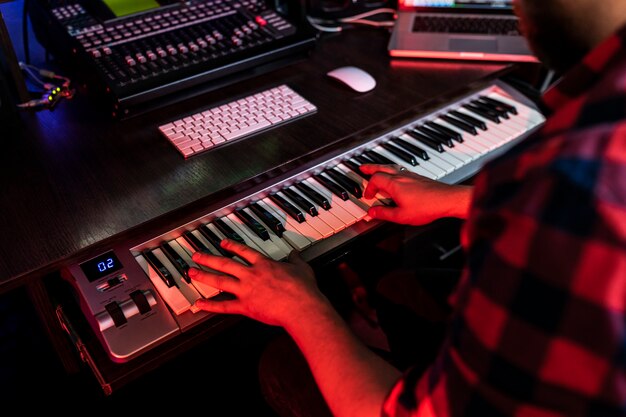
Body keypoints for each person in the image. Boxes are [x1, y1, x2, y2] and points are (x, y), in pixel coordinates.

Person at [188, 0, 626, 415]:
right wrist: (459, 199)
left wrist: (303, 307)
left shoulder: (573, 179)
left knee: (281, 365)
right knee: (399, 285)